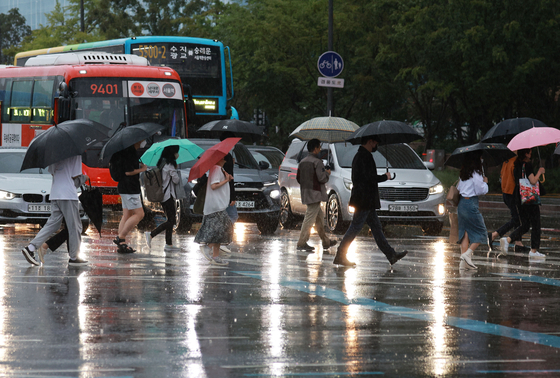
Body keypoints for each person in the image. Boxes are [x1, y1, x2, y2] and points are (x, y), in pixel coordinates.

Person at [332, 136, 408, 267]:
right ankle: (340, 255)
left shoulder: (363, 156)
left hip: (366, 200)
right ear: (369, 142)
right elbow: (368, 178)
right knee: (355, 227)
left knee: (377, 228)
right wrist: (385, 177)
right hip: (363, 200)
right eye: (375, 142)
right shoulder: (363, 157)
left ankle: (391, 254)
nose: (376, 145)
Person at [21, 156, 88, 266]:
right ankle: (74, 257)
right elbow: (75, 176)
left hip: (55, 192)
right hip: (68, 194)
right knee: (75, 226)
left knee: (53, 224)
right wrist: (85, 177)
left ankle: (31, 248)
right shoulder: (75, 154)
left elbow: (53, 173)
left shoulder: (54, 153)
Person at [500, 148, 545, 258]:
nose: (531, 154)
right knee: (536, 224)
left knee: (524, 225)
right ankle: (533, 251)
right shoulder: (527, 165)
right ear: (526, 153)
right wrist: (539, 172)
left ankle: (508, 239)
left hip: (519, 198)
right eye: (530, 152)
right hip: (529, 198)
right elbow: (533, 181)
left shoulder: (516, 164)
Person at [296, 138, 337, 251]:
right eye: (319, 147)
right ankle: (301, 242)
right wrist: (327, 173)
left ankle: (325, 241)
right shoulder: (317, 162)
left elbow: (298, 178)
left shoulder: (302, 162)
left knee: (319, 218)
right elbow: (322, 178)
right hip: (315, 194)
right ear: (315, 148)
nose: (320, 149)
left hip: (306, 192)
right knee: (309, 218)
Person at [194, 156, 234, 266]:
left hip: (219, 204)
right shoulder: (216, 169)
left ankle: (215, 256)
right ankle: (207, 247)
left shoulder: (220, 169)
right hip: (216, 205)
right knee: (223, 228)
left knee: (220, 230)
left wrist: (227, 178)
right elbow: (213, 186)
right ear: (221, 159)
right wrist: (226, 180)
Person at [487, 154, 528, 253]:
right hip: (512, 193)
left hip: (506, 193)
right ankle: (494, 235)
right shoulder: (514, 162)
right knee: (517, 219)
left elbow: (502, 177)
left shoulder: (506, 161)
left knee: (517, 218)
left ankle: (518, 243)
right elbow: (516, 179)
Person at [456, 151, 489, 269]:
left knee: (465, 234)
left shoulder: (464, 173)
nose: (482, 159)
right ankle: (467, 254)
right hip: (470, 203)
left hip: (462, 204)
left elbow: (458, 188)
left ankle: (463, 264)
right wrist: (485, 183)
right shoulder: (476, 174)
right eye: (480, 157)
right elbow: (481, 190)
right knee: (482, 232)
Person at [144, 145, 181, 252]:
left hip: (163, 195)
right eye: (176, 152)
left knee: (170, 219)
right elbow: (176, 180)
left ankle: (169, 244)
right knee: (172, 220)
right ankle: (151, 234)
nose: (177, 155)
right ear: (172, 153)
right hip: (167, 196)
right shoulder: (169, 165)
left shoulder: (162, 163)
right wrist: (175, 169)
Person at [113, 140, 147, 253]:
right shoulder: (130, 153)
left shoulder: (126, 152)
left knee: (127, 214)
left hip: (124, 187)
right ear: (137, 141)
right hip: (130, 188)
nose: (144, 142)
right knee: (140, 214)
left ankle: (121, 244)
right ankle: (121, 237)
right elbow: (128, 172)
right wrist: (142, 169)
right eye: (142, 140)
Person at [219, 132, 238, 254]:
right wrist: (233, 196)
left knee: (224, 216)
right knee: (232, 215)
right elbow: (230, 179)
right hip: (225, 190)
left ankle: (220, 241)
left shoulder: (220, 154)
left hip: (220, 191)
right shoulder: (227, 156)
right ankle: (222, 241)